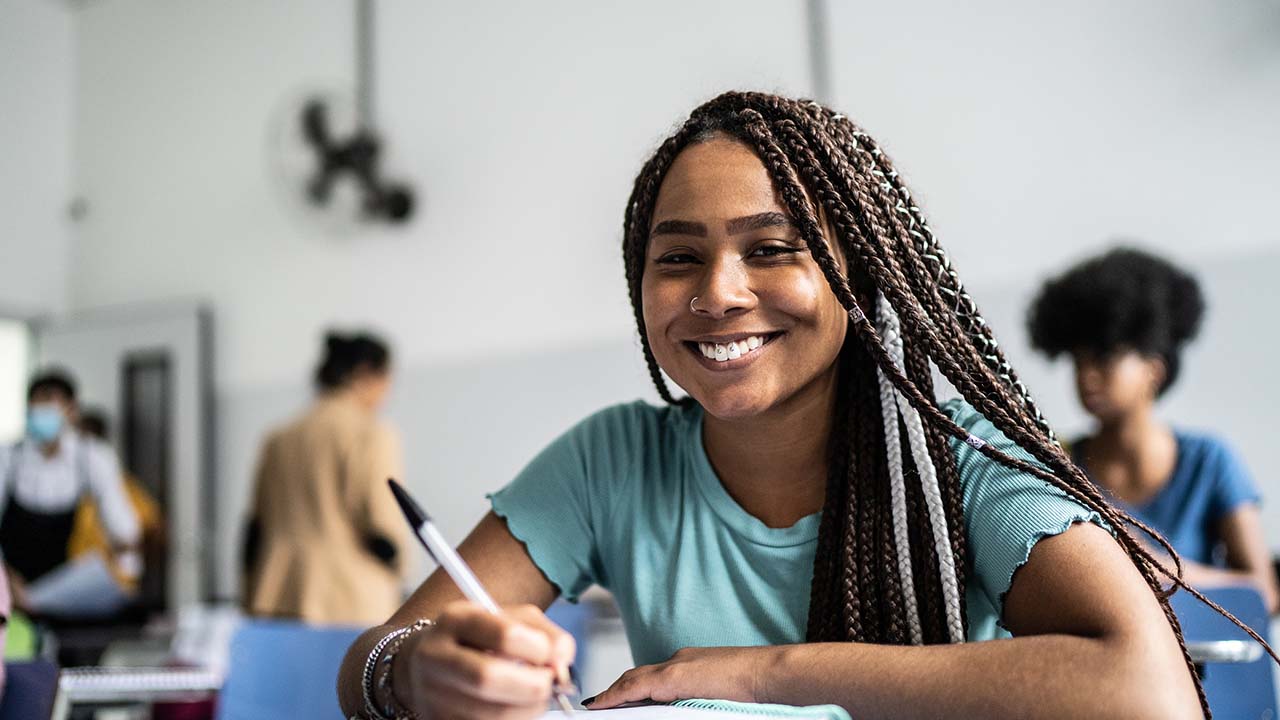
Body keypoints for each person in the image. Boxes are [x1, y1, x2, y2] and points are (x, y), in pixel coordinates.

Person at [338, 92, 1218, 719]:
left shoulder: (967, 464)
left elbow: (1147, 693)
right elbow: (365, 663)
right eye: (676, 258)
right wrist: (416, 671)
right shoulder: (611, 462)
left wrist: (759, 674)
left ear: (858, 278)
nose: (717, 294)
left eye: (771, 248)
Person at [1028, 247, 1278, 612]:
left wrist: (1161, 567)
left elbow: (1264, 594)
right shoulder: (1060, 464)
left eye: (1103, 357)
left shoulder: (1209, 460)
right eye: (1077, 361)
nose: (1086, 376)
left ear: (1154, 370)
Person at [242, 331, 409, 625]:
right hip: (349, 597)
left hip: (278, 593)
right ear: (365, 375)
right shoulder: (371, 434)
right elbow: (380, 525)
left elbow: (254, 528)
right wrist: (400, 568)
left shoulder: (278, 439)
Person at [0, 370, 142, 609]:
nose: (43, 415)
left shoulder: (91, 457)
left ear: (72, 410)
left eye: (51, 405)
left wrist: (126, 568)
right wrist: (7, 581)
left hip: (62, 589)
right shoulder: (9, 458)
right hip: (9, 585)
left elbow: (122, 527)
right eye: (38, 406)